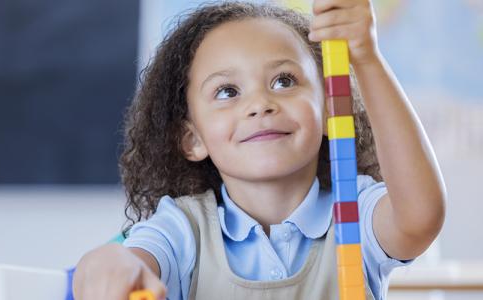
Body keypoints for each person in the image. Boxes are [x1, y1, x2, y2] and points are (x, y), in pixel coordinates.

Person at [73, 1, 446, 299]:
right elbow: (124, 260)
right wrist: (108, 266)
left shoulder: (355, 212)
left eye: (284, 81)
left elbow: (420, 217)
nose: (260, 104)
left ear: (332, 108)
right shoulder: (183, 229)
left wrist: (365, 58)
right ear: (192, 139)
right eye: (227, 92)